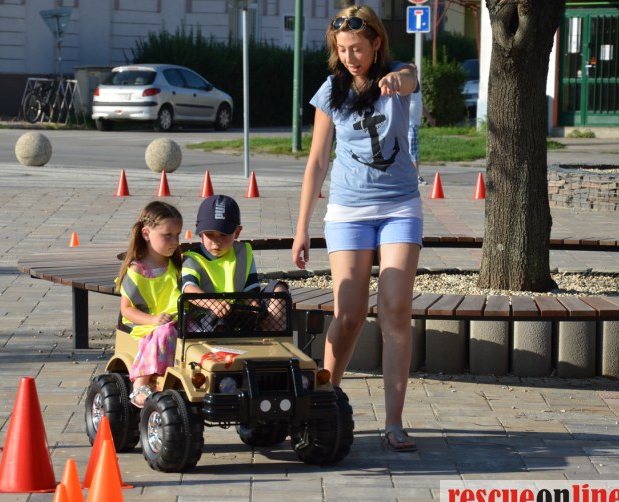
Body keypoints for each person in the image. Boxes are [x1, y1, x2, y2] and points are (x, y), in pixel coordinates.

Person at [291, 5, 422, 452]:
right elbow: (317, 161)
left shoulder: (399, 76)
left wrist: (397, 81)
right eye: (343, 49)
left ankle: (394, 422)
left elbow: (410, 78)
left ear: (376, 43)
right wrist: (302, 227)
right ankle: (323, 404)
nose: (350, 58)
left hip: (400, 207)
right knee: (348, 314)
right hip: (348, 211)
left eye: (358, 49)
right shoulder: (332, 90)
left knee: (395, 310)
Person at [182, 194, 287, 328]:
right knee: (221, 324)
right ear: (200, 231)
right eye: (210, 235)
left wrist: (254, 305)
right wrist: (213, 303)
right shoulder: (192, 258)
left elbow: (251, 289)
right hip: (207, 316)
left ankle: (272, 337)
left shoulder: (243, 252)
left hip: (241, 312)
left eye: (223, 234)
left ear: (237, 232)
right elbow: (189, 288)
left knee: (279, 290)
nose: (216, 241)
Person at [117, 201, 183, 408]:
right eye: (168, 235)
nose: (175, 241)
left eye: (177, 235)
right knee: (165, 332)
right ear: (146, 234)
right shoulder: (137, 270)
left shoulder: (176, 264)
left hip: (176, 319)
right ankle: (141, 382)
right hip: (148, 325)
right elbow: (126, 309)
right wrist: (153, 320)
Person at [409, 87, 435, 185]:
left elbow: (419, 105)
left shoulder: (416, 88)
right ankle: (416, 176)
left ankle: (412, 176)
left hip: (414, 124)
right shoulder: (406, 85)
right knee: (413, 150)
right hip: (409, 124)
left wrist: (429, 117)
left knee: (412, 150)